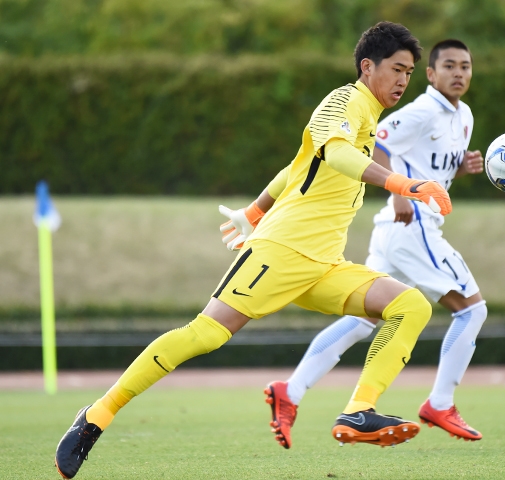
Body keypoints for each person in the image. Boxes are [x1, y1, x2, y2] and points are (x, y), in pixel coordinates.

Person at [54, 22, 454, 479]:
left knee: (410, 305)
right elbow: (336, 154)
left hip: (325, 264)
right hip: (282, 250)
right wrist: (404, 184)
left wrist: (257, 208)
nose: (403, 80)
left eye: (409, 72)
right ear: (368, 66)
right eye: (397, 69)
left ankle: (358, 411)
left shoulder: (368, 116)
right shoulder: (345, 100)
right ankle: (97, 416)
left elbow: (298, 165)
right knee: (205, 334)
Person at [219, 39, 485, 450]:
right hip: (412, 225)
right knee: (472, 310)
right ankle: (440, 403)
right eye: (449, 65)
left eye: (465, 66)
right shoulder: (422, 109)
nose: (458, 73)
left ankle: (291, 390)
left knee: (365, 318)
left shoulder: (463, 116)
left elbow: (428, 164)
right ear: (431, 75)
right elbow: (378, 141)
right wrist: (399, 191)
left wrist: (461, 168)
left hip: (395, 230)